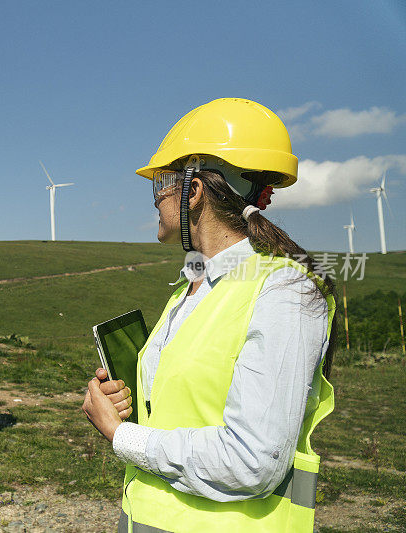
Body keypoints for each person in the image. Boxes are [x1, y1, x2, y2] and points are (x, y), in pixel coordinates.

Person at [82, 98, 336, 532]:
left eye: (162, 183)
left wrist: (122, 436)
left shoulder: (284, 292)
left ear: (193, 191)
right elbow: (185, 408)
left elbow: (251, 462)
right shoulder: (188, 288)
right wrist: (124, 402)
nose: (155, 198)